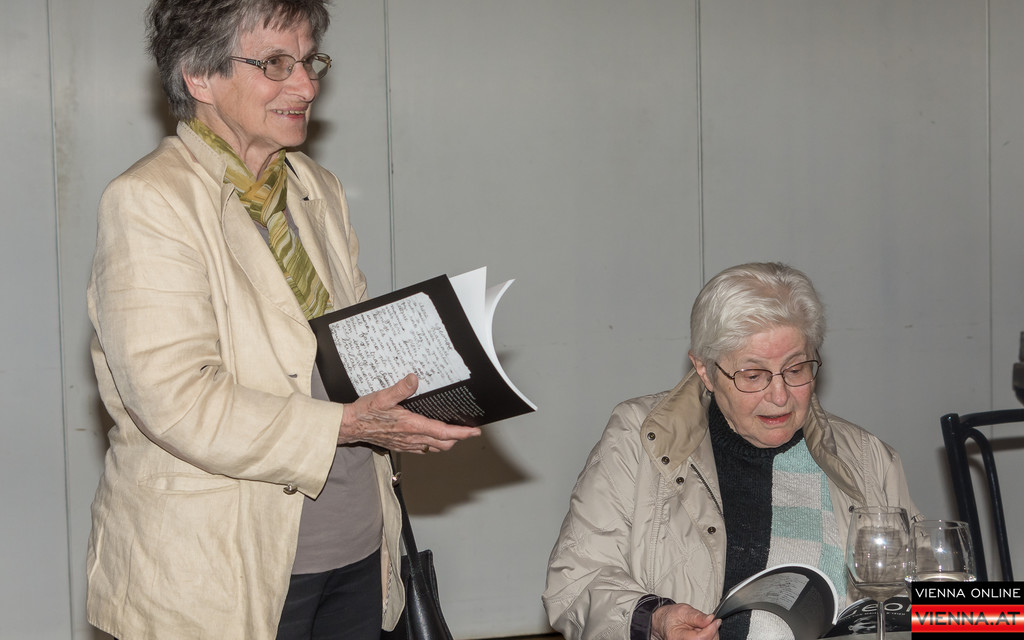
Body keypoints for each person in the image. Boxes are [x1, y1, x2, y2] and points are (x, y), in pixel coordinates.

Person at [85, 1, 481, 638]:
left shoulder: (315, 186)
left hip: (356, 545)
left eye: (308, 62)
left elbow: (346, 351)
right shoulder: (149, 201)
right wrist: (348, 424)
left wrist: (423, 391)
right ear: (199, 77)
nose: (306, 86)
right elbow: (175, 400)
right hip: (225, 567)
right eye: (275, 64)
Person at [542, 262, 921, 640]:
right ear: (705, 370)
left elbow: (939, 604)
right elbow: (575, 584)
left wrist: (947, 614)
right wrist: (654, 620)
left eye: (796, 370)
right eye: (753, 375)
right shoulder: (640, 438)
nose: (779, 396)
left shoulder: (867, 458)